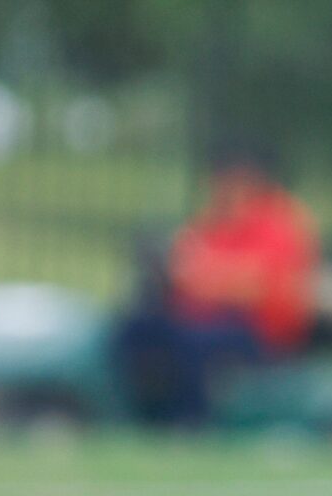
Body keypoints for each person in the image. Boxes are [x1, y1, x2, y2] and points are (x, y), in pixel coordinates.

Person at [114, 148, 319, 426]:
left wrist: (200, 278)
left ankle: (190, 420)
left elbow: (254, 288)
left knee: (194, 344)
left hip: (260, 332)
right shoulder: (216, 220)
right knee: (137, 329)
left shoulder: (279, 223)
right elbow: (184, 261)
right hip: (204, 316)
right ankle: (137, 414)